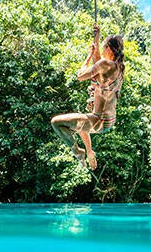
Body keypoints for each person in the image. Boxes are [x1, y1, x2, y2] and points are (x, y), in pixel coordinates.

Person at [51, 25, 125, 170]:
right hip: (107, 120)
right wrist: (96, 40)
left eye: (104, 48)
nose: (102, 52)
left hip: (99, 121)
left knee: (56, 123)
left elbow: (80, 76)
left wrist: (89, 56)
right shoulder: (118, 67)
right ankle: (90, 152)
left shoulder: (105, 64)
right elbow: (99, 64)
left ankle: (78, 151)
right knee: (81, 121)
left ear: (109, 50)